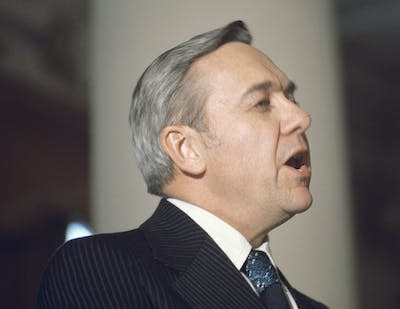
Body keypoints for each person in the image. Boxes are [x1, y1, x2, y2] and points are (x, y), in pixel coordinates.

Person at [36, 21, 328, 309]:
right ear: (186, 148)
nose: (301, 117)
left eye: (290, 97)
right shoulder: (99, 269)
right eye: (262, 103)